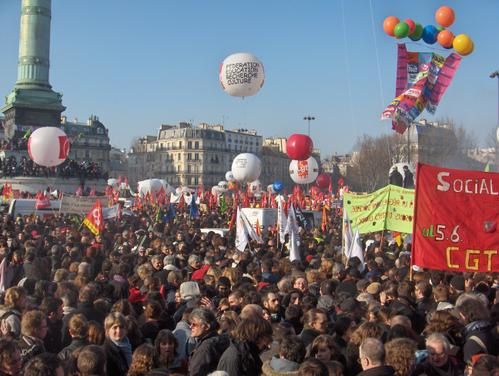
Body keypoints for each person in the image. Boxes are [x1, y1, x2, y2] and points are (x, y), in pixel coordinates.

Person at [188, 308, 230, 376]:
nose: (190, 326)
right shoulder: (219, 339)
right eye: (190, 324)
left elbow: (195, 372)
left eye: (194, 324)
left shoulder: (205, 347)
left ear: (207, 326)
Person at [103, 312, 132, 376]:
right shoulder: (106, 352)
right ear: (108, 331)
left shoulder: (131, 344)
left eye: (121, 327)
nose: (118, 331)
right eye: (115, 327)